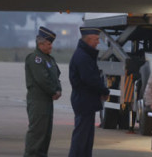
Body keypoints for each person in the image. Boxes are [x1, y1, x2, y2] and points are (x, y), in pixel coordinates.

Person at [68, 27, 110, 157]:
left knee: (85, 139)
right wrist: (104, 90)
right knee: (81, 138)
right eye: (96, 39)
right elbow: (90, 79)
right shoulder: (83, 57)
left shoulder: (84, 55)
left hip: (85, 100)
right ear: (89, 39)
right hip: (84, 100)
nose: (98, 42)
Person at [24, 26, 62, 157]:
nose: (51, 46)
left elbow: (56, 76)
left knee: (45, 134)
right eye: (49, 43)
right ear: (40, 43)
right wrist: (54, 91)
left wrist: (58, 89)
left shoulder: (49, 59)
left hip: (47, 102)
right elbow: (42, 79)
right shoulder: (35, 58)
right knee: (37, 133)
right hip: (38, 101)